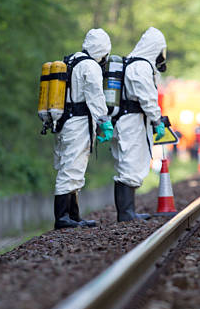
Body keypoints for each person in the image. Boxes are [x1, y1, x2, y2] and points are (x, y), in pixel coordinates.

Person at [53, 28, 113, 229]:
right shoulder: (90, 66)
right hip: (77, 123)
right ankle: (62, 218)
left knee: (72, 166)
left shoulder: (72, 60)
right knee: (71, 168)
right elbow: (95, 96)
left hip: (65, 122)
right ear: (102, 50)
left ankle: (74, 216)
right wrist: (104, 122)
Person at [111, 27, 166, 221]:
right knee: (130, 164)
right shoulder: (140, 67)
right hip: (132, 122)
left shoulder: (131, 63)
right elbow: (148, 99)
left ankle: (128, 212)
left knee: (126, 163)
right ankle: (126, 214)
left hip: (126, 120)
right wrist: (157, 119)